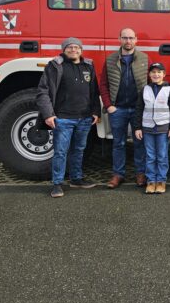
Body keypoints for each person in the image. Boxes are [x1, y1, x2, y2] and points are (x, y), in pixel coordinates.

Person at [36, 37, 100, 198]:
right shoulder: (55, 66)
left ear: (81, 50)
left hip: (84, 118)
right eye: (69, 47)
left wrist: (96, 112)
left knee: (79, 150)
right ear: (64, 49)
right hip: (63, 118)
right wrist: (48, 114)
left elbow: (94, 92)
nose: (73, 50)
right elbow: (43, 92)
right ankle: (57, 184)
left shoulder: (88, 66)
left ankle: (76, 179)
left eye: (76, 47)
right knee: (60, 151)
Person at [100, 28, 150, 189]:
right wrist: (109, 106)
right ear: (119, 39)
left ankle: (140, 174)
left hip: (138, 109)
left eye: (131, 38)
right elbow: (103, 84)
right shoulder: (110, 60)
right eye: (124, 38)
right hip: (118, 109)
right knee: (118, 143)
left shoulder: (144, 58)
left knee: (139, 143)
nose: (128, 41)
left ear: (136, 39)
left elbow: (150, 83)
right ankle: (118, 175)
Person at [134, 63, 170, 194]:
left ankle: (161, 181)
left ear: (164, 74)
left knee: (162, 155)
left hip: (163, 128)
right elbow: (139, 109)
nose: (156, 74)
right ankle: (151, 181)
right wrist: (137, 127)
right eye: (153, 72)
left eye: (159, 72)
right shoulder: (145, 89)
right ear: (149, 75)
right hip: (147, 128)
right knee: (150, 156)